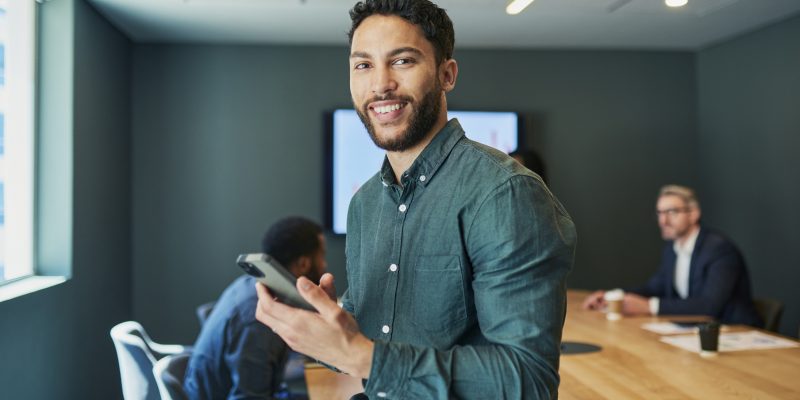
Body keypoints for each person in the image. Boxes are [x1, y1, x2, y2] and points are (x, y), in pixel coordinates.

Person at [254, 1, 577, 399]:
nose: (380, 84)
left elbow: (529, 381)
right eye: (363, 65)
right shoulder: (364, 204)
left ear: (446, 74)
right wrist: (324, 329)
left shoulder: (505, 194)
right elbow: (367, 343)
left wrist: (364, 358)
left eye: (402, 61)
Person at [184, 216, 327, 400]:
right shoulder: (257, 317)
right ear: (303, 264)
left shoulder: (249, 285)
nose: (325, 265)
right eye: (322, 256)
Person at [582, 185, 762, 327]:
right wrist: (613, 296)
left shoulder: (719, 249)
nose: (663, 221)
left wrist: (649, 307)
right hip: (696, 335)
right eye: (660, 213)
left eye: (672, 212)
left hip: (735, 334)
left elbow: (710, 305)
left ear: (693, 214)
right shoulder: (672, 249)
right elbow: (654, 287)